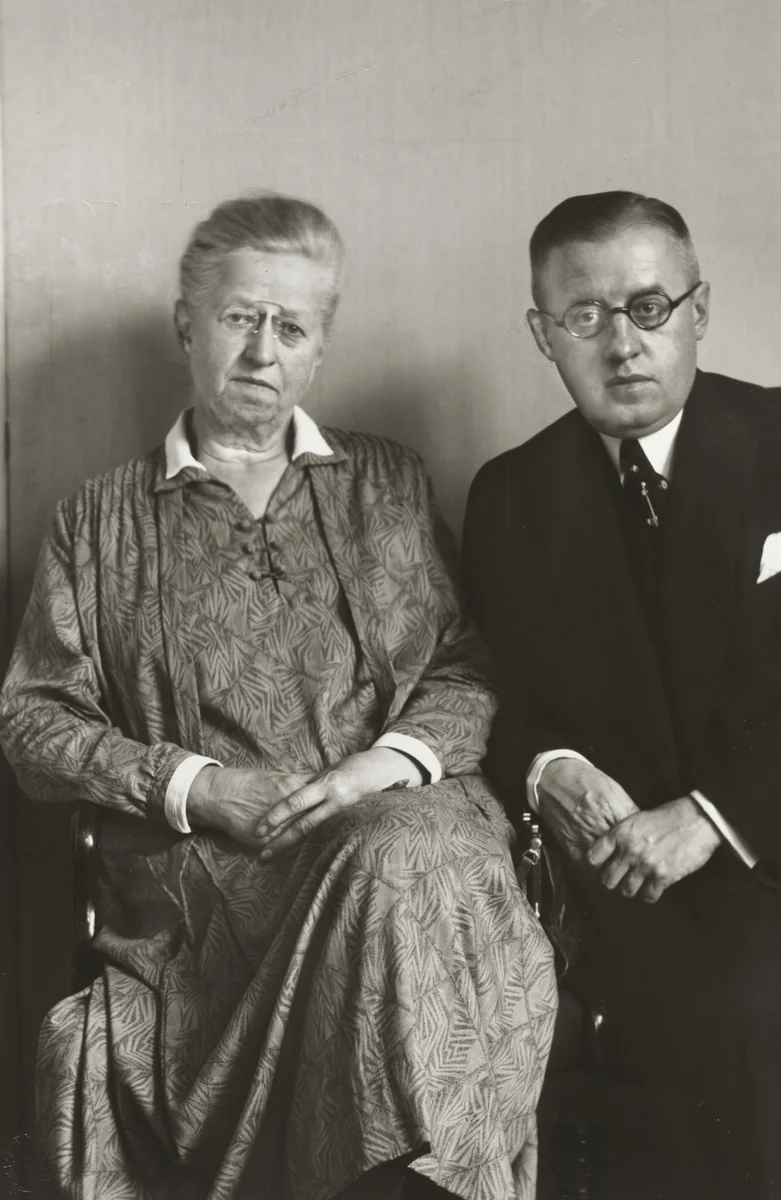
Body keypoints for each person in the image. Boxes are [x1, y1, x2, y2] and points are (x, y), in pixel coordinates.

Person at [0, 193, 557, 1200]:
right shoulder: (99, 519)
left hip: (403, 826)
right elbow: (35, 722)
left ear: (319, 349)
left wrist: (376, 770)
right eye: (240, 317)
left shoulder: (385, 483)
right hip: (217, 880)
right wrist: (196, 786)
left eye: (291, 327)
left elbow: (465, 667)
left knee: (403, 853)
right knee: (395, 871)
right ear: (187, 323)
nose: (263, 350)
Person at [462, 190, 781, 1199]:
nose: (622, 344)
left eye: (649, 307)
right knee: (731, 1008)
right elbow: (496, 695)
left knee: (763, 1004)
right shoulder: (512, 498)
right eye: (586, 317)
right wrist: (548, 767)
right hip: (644, 896)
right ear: (543, 334)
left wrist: (711, 816)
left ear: (699, 310)